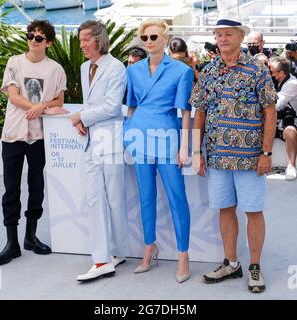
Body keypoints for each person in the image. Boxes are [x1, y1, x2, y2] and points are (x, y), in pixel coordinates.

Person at [190, 19, 277, 293]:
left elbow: (270, 111)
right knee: (225, 209)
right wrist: (196, 151)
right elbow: (200, 112)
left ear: (241, 37)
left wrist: (266, 152)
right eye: (218, 34)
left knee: (253, 210)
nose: (222, 39)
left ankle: (254, 266)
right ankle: (231, 262)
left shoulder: (257, 69)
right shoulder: (209, 70)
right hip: (217, 157)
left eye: (228, 34)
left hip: (250, 158)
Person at [0, 20, 68, 265]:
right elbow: (13, 96)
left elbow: (59, 99)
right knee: (11, 189)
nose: (33, 40)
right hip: (13, 134)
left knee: (36, 186)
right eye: (30, 36)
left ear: (48, 43)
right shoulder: (15, 62)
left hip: (39, 136)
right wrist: (34, 106)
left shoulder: (55, 69)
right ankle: (11, 243)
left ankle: (31, 237)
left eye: (38, 38)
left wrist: (42, 106)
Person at [124, 19, 194, 283]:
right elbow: (131, 107)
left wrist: (184, 147)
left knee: (177, 198)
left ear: (165, 38)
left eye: (154, 36)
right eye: (144, 38)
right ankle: (149, 247)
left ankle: (183, 255)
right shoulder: (133, 71)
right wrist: (127, 136)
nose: (149, 42)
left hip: (167, 139)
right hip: (139, 137)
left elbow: (185, 112)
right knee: (145, 197)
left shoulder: (180, 70)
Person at [71, 20, 129, 281]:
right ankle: (102, 258)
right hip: (93, 141)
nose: (81, 44)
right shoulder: (85, 68)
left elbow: (112, 107)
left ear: (98, 40)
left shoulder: (116, 68)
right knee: (95, 199)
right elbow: (93, 103)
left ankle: (117, 252)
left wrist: (82, 116)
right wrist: (84, 119)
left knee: (115, 199)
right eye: (80, 39)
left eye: (85, 39)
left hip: (112, 141)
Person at [269, 56, 297, 181]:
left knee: (290, 133)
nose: (268, 73)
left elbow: (277, 104)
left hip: (289, 119)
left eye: (271, 71)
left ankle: (292, 166)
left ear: (281, 73)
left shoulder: (292, 84)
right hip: (273, 119)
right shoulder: (273, 81)